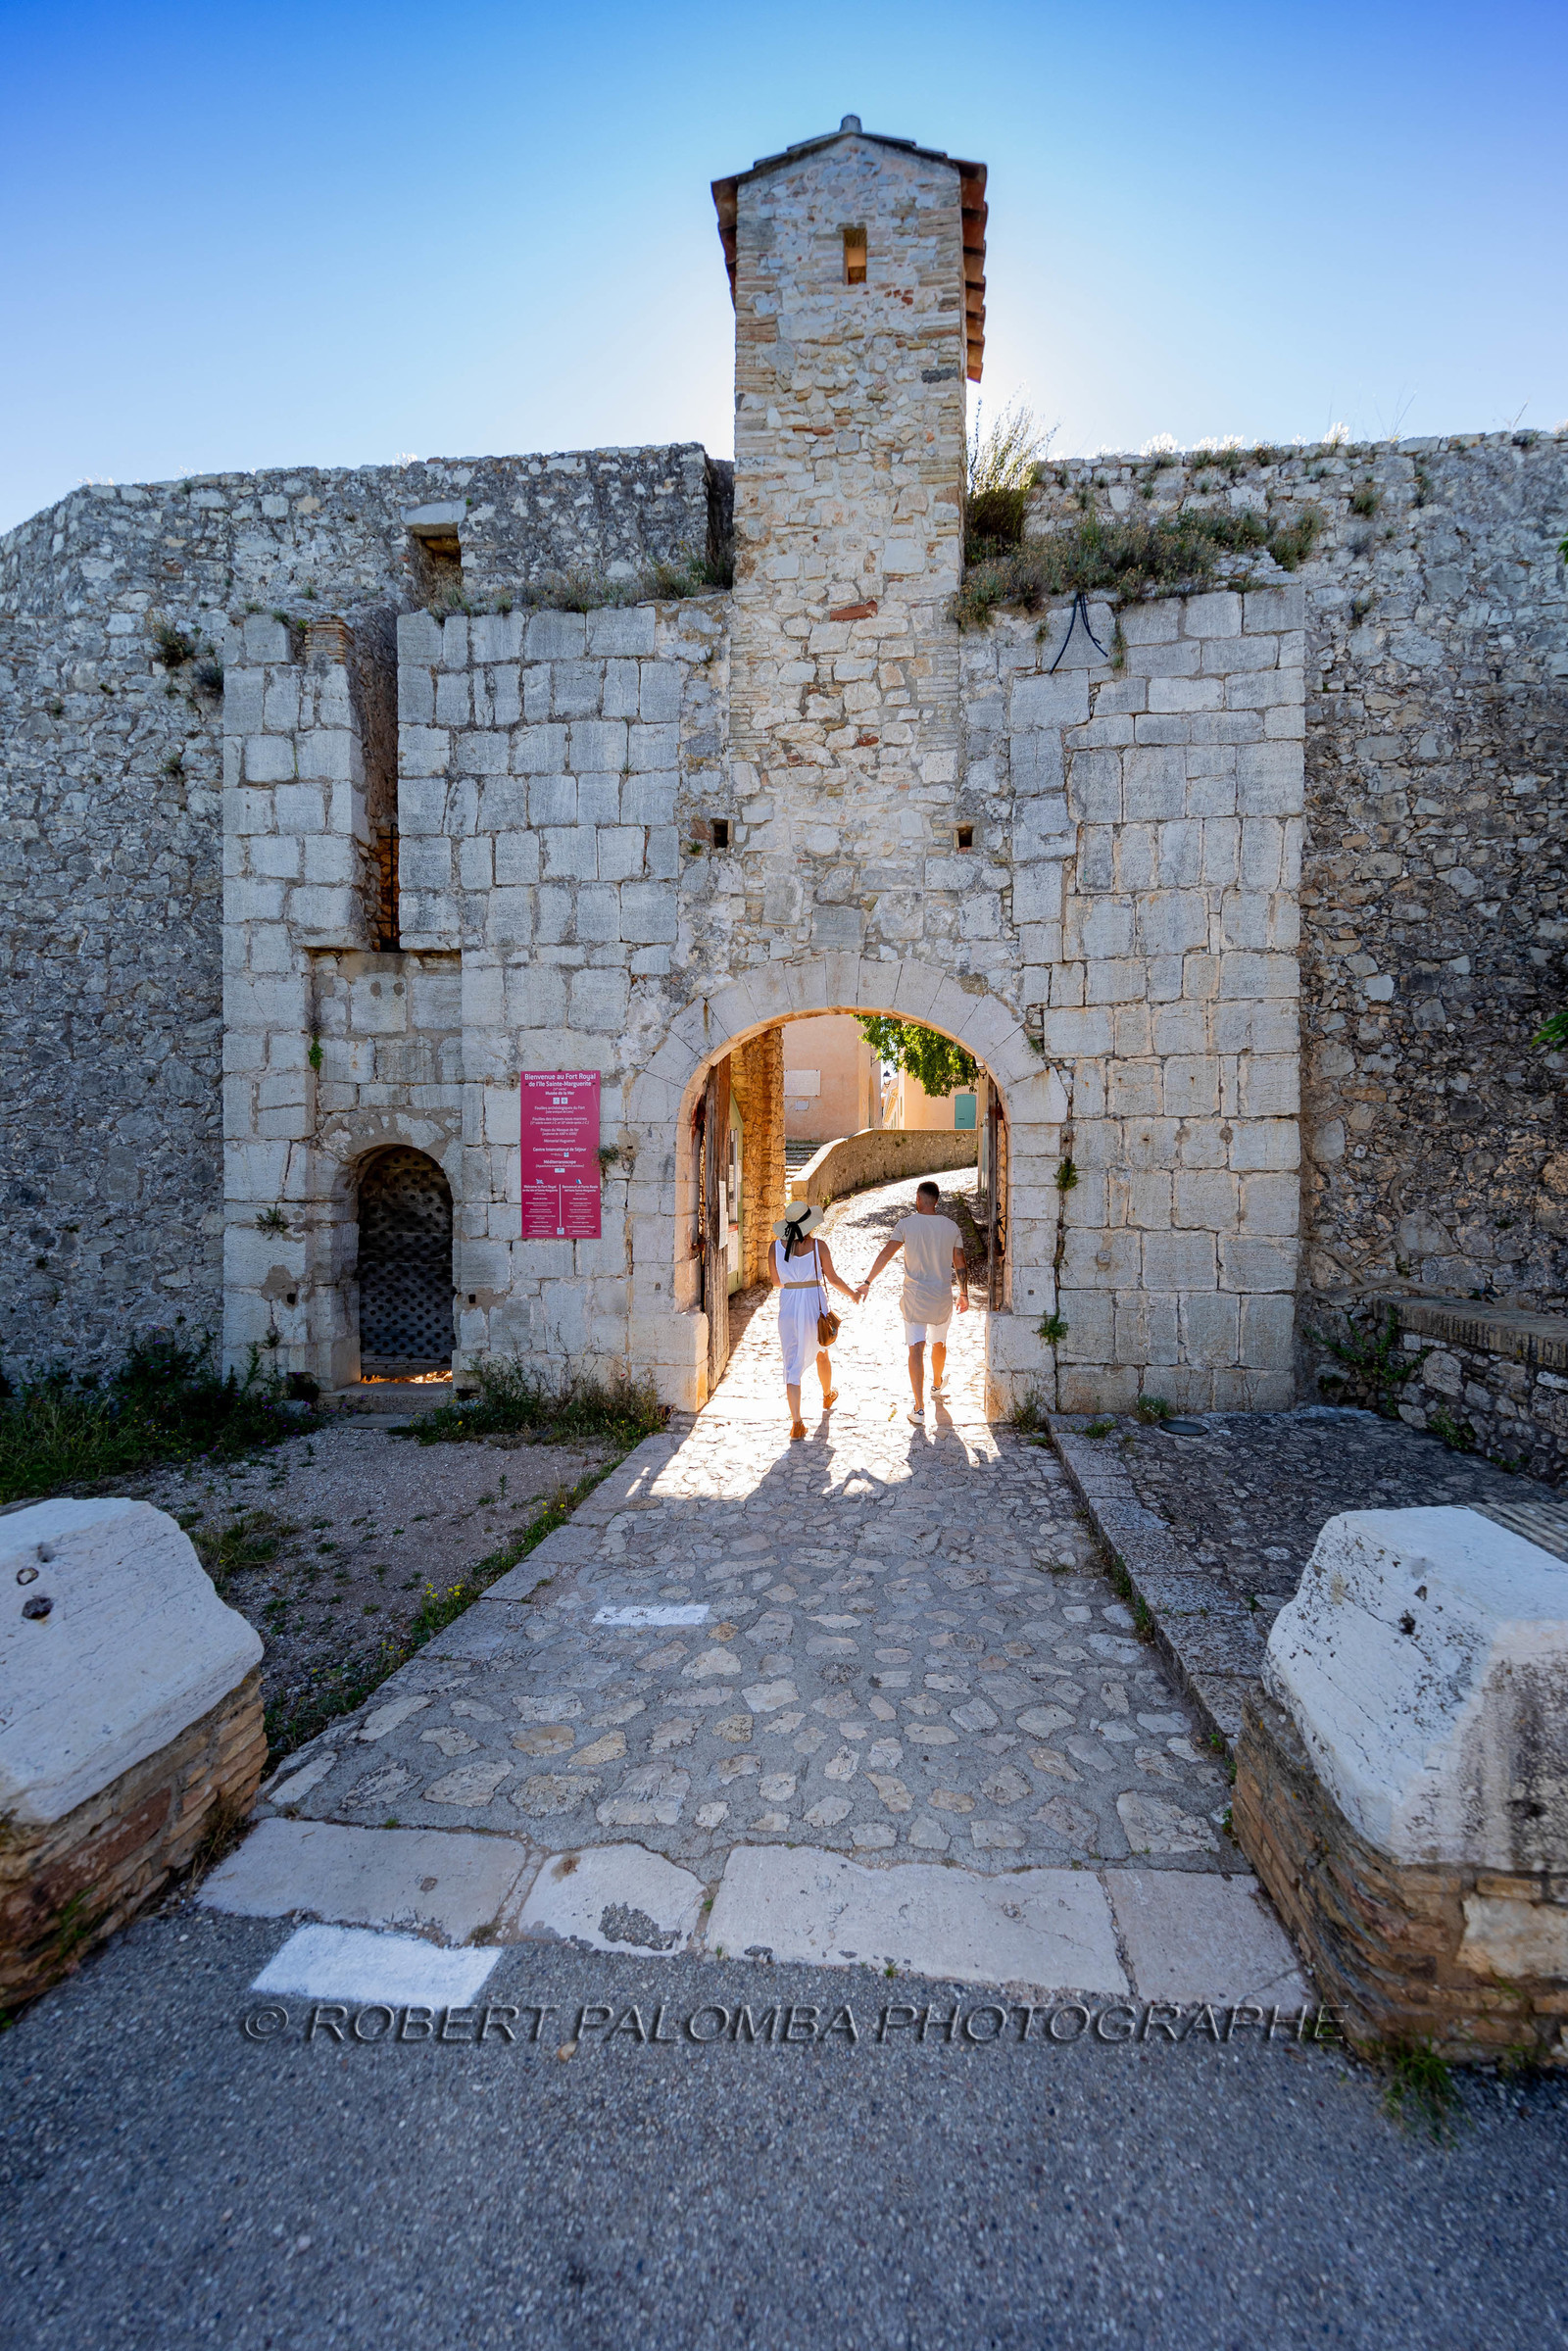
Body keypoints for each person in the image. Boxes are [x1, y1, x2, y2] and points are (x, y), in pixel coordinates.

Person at [856, 1180, 968, 1424]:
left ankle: (919, 1408)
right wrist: (964, 1293)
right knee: (939, 1342)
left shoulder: (906, 1224)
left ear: (918, 1199)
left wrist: (868, 1281)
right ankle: (936, 1384)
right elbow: (959, 1262)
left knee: (916, 1348)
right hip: (941, 1296)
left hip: (915, 1297)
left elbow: (886, 1253)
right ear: (936, 1201)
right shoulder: (951, 1227)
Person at [769, 1200, 858, 1442]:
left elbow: (776, 1282)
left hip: (789, 1306)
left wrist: (793, 1279)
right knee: (822, 1351)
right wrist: (852, 1294)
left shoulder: (774, 1247)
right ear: (809, 1224)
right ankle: (827, 1395)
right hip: (813, 1305)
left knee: (791, 1363)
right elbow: (833, 1279)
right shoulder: (819, 1246)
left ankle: (797, 1423)